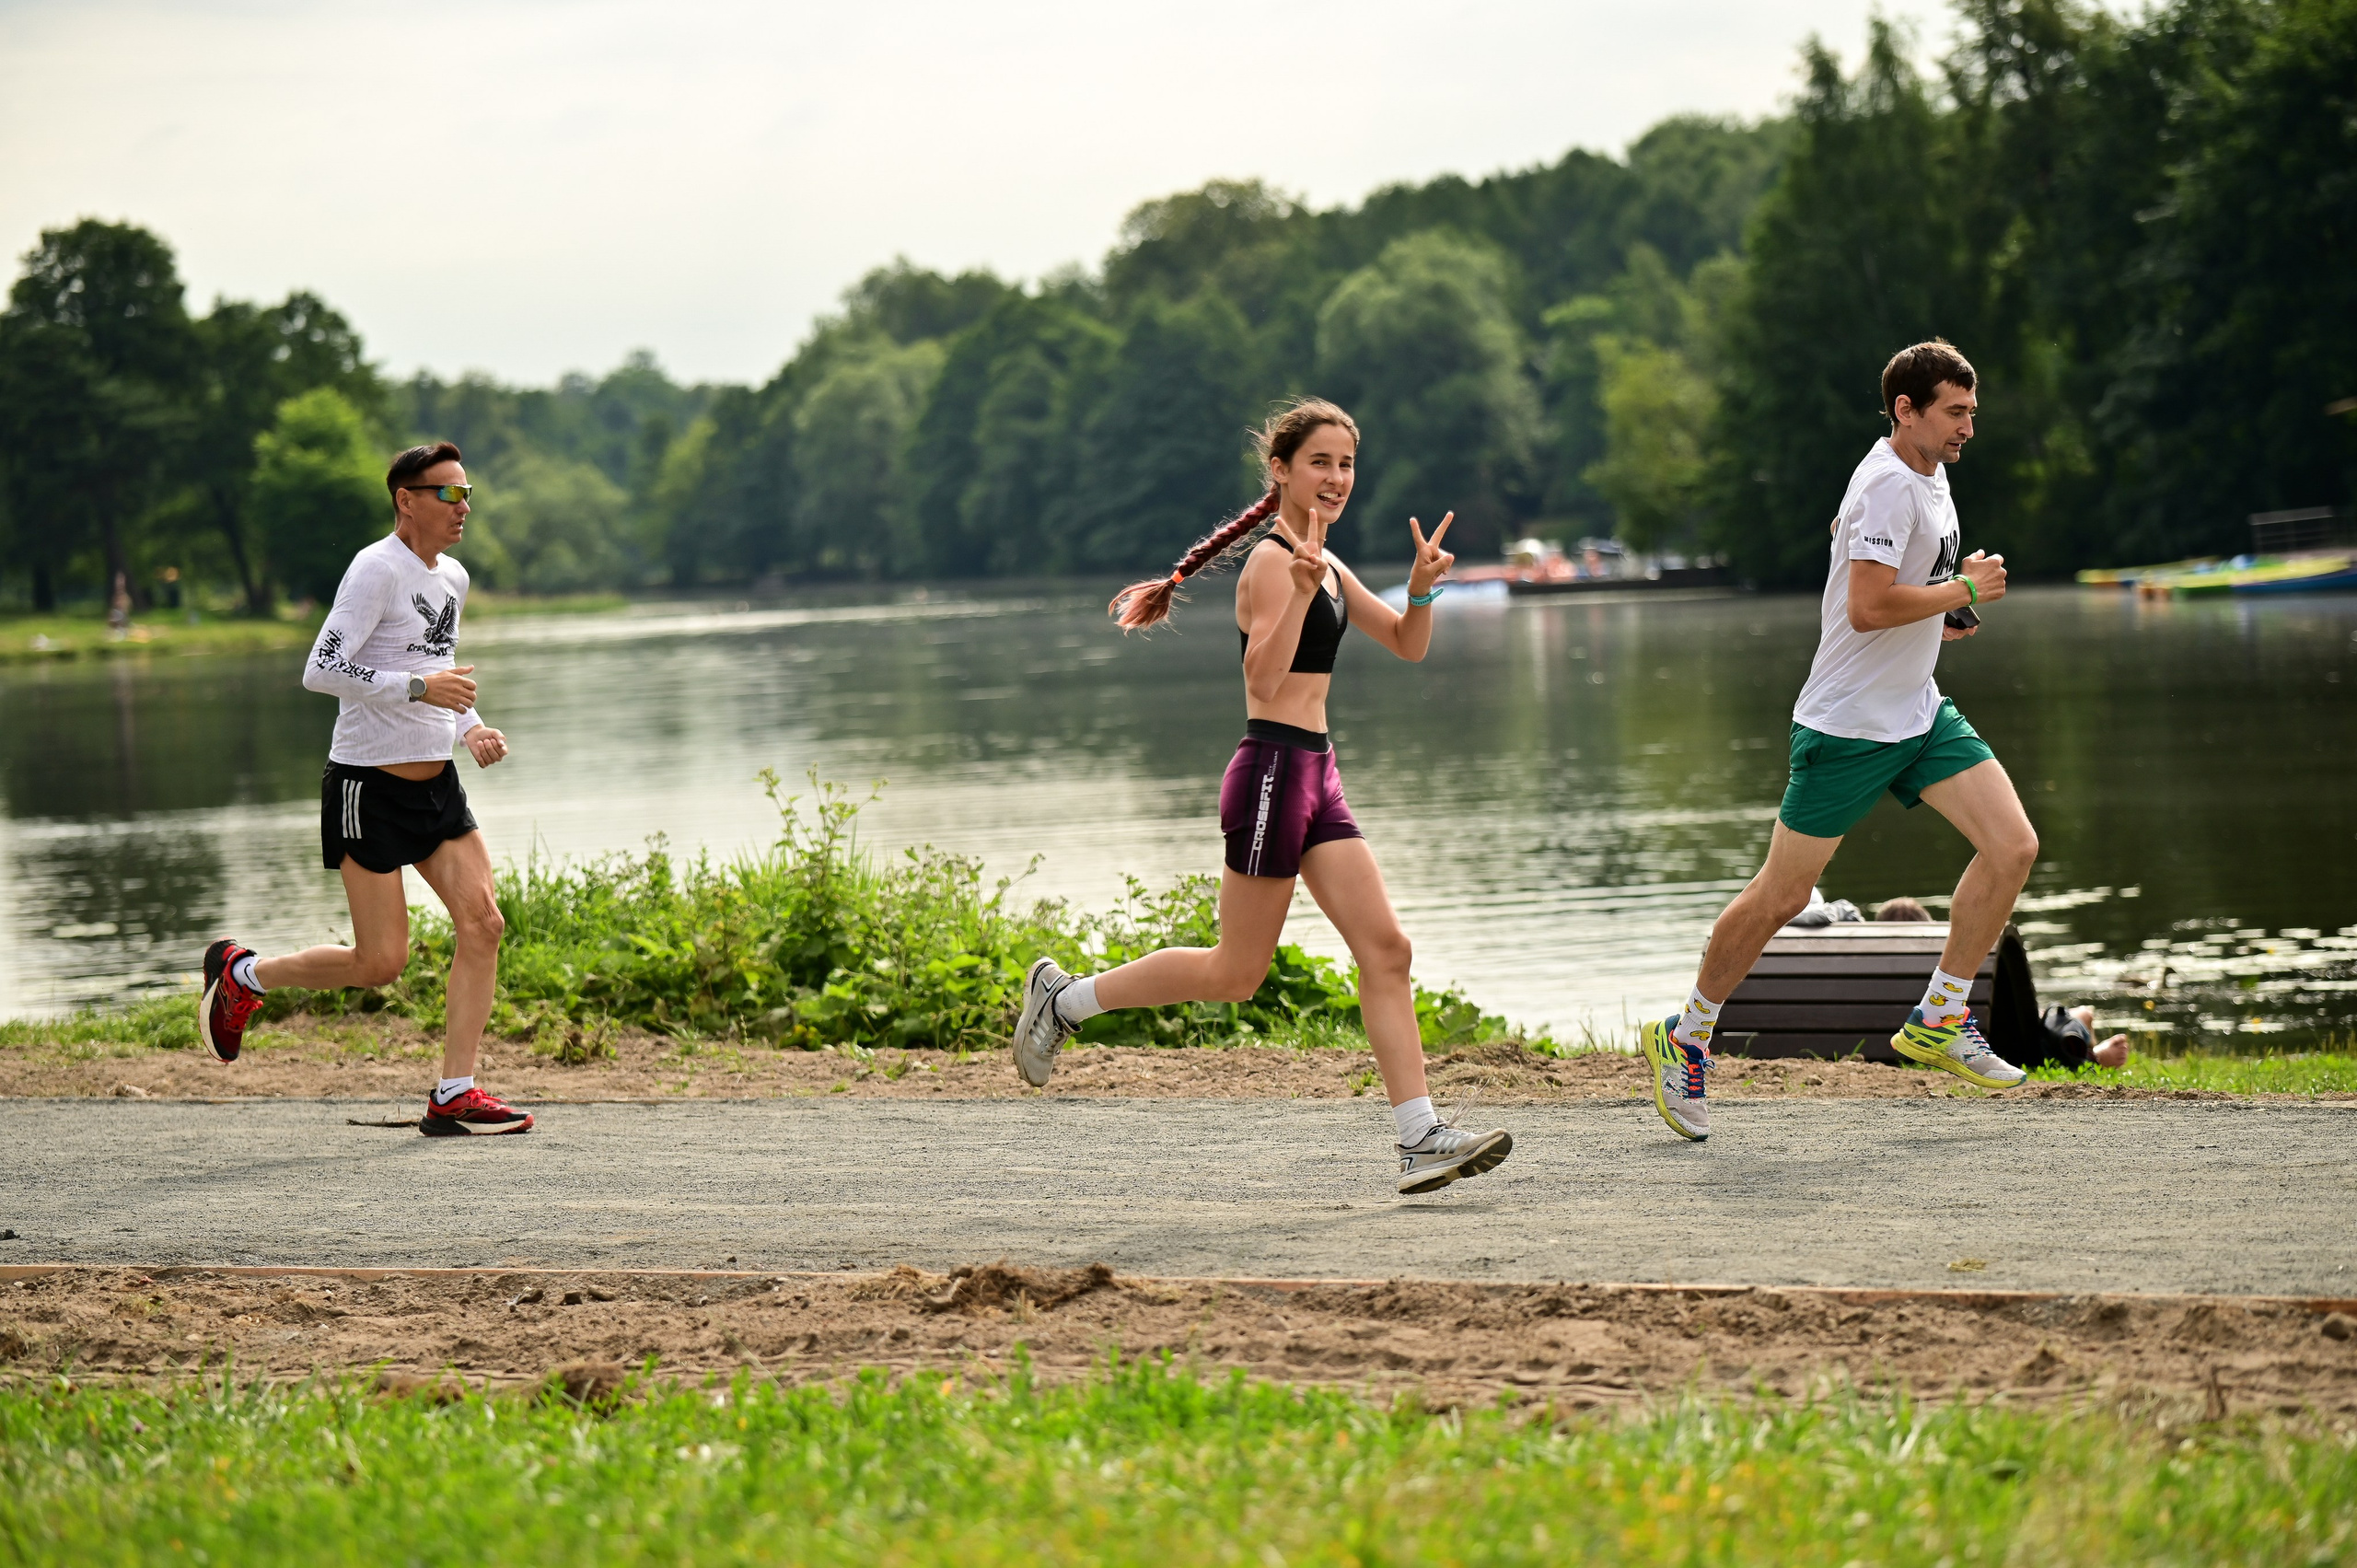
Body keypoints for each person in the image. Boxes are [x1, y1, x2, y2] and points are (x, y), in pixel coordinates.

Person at [1008, 399, 1513, 1194]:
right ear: (1280, 470)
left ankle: (1420, 1137)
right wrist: (1307, 591)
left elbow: (1409, 647)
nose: (1336, 478)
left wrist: (1420, 590)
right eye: (1320, 462)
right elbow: (1262, 680)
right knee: (1237, 971)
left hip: (1317, 770)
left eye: (1346, 464)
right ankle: (1066, 1000)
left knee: (1388, 950)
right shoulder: (1276, 563)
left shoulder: (1326, 562)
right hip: (1273, 770)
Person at [1643, 339, 2037, 1141]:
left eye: (1971, 411)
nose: (1968, 426)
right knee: (1782, 896)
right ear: (1907, 409)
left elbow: (1886, 578)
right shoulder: (1890, 481)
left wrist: (1943, 613)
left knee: (2013, 846)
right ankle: (1686, 1033)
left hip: (1917, 713)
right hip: (1848, 725)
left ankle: (1939, 1016)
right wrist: (1961, 588)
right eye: (1955, 412)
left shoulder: (1923, 471)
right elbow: (1864, 607)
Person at [195, 442, 531, 1136]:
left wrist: (469, 725)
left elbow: (439, 672)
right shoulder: (375, 568)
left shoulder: (454, 578)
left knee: (485, 924)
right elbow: (321, 668)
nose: (463, 507)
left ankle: (455, 1092)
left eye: (467, 494)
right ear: (407, 500)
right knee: (380, 963)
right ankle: (244, 977)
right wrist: (419, 688)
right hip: (365, 788)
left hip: (435, 784)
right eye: (448, 495)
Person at [1872, 897, 2129, 1067]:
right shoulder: (1947, 970)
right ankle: (2092, 1054)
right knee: (2073, 1016)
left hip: (1905, 1050)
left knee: (2068, 1016)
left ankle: (2083, 1029)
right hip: (2005, 1049)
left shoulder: (1865, 976)